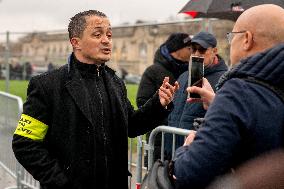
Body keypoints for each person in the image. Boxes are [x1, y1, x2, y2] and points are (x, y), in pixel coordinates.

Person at [12, 10, 178, 189]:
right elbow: (25, 143)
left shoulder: (115, 83)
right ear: (76, 42)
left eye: (109, 35)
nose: (106, 40)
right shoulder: (47, 85)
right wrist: (60, 182)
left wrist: (158, 104)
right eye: (97, 34)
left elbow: (131, 125)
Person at [173, 4, 284, 189]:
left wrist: (185, 150)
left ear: (247, 39)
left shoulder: (237, 92)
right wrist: (217, 102)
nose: (230, 43)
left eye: (231, 36)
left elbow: (191, 171)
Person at [165, 31, 228, 159]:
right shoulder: (183, 76)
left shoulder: (224, 79)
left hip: (198, 153)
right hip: (172, 149)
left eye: (202, 50)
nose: (197, 54)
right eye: (193, 50)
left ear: (214, 51)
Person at [136, 32, 191, 165]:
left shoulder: (191, 72)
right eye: (189, 48)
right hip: (160, 140)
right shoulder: (153, 71)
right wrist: (164, 109)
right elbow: (142, 101)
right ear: (177, 50)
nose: (192, 51)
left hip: (184, 141)